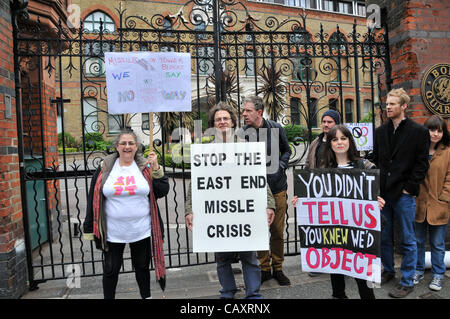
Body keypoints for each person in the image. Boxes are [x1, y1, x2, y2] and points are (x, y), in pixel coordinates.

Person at [185, 102, 275, 299]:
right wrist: (189, 209)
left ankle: (253, 294)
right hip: (218, 213)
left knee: (249, 257)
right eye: (218, 119)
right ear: (213, 124)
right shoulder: (205, 152)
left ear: (233, 122)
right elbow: (196, 183)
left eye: (226, 118)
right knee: (222, 258)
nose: (222, 122)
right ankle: (227, 291)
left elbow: (260, 179)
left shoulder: (248, 148)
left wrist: (269, 204)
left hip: (245, 212)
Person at [293, 125, 385, 299]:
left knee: (363, 277)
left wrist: (377, 202)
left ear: (350, 140)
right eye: (335, 139)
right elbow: (315, 197)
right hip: (334, 230)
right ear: (331, 144)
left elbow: (374, 194)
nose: (340, 142)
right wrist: (302, 201)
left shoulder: (365, 166)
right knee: (336, 267)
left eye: (343, 138)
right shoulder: (323, 170)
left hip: (358, 231)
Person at [83, 130, 169, 299]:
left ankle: (147, 297)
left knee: (142, 267)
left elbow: (162, 190)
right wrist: (89, 227)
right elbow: (93, 197)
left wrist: (157, 167)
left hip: (141, 229)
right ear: (117, 146)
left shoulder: (146, 167)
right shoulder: (105, 167)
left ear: (137, 146)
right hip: (113, 231)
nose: (127, 147)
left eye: (131, 143)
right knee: (110, 270)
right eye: (123, 143)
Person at [372, 88, 430, 298]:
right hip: (383, 195)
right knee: (384, 236)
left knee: (408, 238)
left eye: (393, 104)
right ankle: (388, 271)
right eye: (387, 104)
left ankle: (407, 281)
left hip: (404, 194)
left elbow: (422, 165)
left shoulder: (419, 132)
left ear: (404, 106)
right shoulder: (380, 132)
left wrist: (409, 188)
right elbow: (376, 160)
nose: (388, 107)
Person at [239, 96, 292, 286]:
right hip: (255, 189)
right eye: (243, 110)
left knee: (277, 230)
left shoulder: (276, 128)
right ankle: (264, 268)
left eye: (247, 111)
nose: (243, 114)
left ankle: (278, 268)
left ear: (259, 112)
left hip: (277, 187)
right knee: (260, 230)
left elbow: (287, 150)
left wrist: (281, 166)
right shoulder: (242, 133)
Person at [414, 115, 450, 292]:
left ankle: (438, 274)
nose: (435, 134)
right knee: (418, 241)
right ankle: (418, 270)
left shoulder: (448, 151)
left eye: (439, 130)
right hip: (418, 204)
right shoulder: (417, 150)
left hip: (439, 205)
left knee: (437, 243)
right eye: (432, 130)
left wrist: (444, 197)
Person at [304, 108, 341, 277]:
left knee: (335, 230)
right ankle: (319, 263)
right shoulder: (316, 142)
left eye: (329, 122)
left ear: (336, 123)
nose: (326, 125)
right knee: (318, 229)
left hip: (335, 193)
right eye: (324, 122)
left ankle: (339, 262)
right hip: (315, 193)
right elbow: (307, 165)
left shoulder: (340, 142)